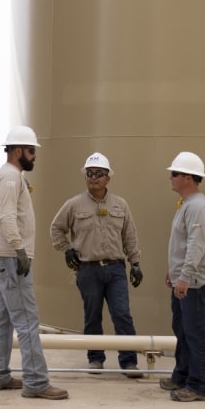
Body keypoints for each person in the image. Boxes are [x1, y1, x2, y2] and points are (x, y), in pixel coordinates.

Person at [0, 126, 68, 400]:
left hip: (3, 256)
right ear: (17, 150)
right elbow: (8, 217)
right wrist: (19, 249)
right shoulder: (10, 177)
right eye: (31, 151)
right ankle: (36, 380)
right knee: (28, 320)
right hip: (11, 257)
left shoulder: (9, 175)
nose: (35, 156)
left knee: (4, 318)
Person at [49, 152, 145, 377]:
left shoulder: (120, 205)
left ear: (108, 178)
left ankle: (129, 362)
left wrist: (135, 263)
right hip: (88, 269)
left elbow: (130, 236)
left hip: (116, 269)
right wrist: (66, 249)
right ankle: (95, 359)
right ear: (85, 177)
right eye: (90, 174)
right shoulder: (74, 204)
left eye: (99, 174)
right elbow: (56, 228)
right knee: (92, 316)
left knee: (122, 314)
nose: (94, 178)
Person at [162, 151, 205, 401]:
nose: (170, 178)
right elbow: (183, 244)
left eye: (174, 174)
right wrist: (174, 273)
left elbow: (196, 246)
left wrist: (184, 277)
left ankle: (198, 386)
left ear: (187, 178)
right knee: (184, 332)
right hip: (186, 280)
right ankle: (182, 376)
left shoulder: (196, 207)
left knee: (196, 334)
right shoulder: (187, 204)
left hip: (195, 283)